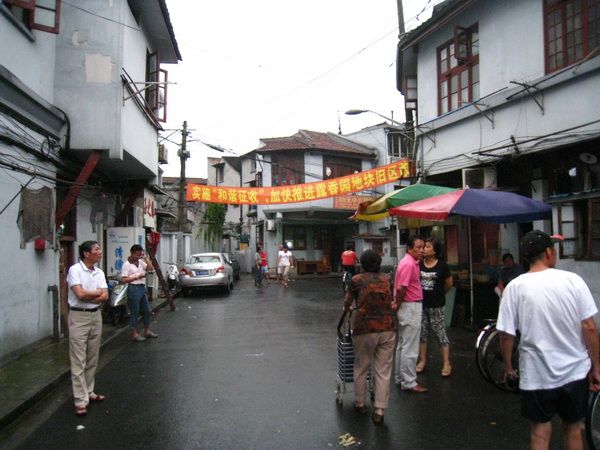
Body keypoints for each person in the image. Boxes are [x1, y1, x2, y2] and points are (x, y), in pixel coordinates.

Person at [497, 230, 600, 450]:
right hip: (574, 371)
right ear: (548, 252)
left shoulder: (515, 287)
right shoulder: (573, 280)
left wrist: (508, 367)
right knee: (573, 428)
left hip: (536, 374)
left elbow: (506, 334)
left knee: (540, 432)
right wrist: (596, 366)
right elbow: (589, 327)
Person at [344, 249, 396, 426]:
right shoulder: (388, 279)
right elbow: (393, 300)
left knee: (361, 366)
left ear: (362, 264)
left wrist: (350, 308)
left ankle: (360, 403)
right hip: (388, 327)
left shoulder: (357, 280)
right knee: (383, 370)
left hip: (364, 328)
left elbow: (347, 302)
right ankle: (380, 410)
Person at [67, 240, 109, 416]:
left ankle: (89, 391)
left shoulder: (99, 272)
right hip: (78, 316)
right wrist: (95, 294)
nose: (100, 252)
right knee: (78, 359)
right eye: (96, 249)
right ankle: (80, 400)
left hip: (95, 315)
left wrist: (91, 296)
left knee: (92, 357)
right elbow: (80, 294)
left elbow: (105, 296)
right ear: (86, 253)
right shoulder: (75, 270)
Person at [392, 235, 427, 393]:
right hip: (410, 306)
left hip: (407, 306)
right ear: (409, 249)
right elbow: (401, 288)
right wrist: (397, 304)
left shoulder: (408, 262)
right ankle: (409, 382)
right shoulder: (409, 264)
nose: (421, 250)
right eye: (418, 247)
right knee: (410, 347)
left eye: (423, 247)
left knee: (402, 345)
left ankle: (400, 378)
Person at [417, 237, 453, 377]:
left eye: (427, 247)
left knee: (440, 333)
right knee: (423, 334)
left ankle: (446, 363)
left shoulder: (442, 266)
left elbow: (449, 284)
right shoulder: (419, 264)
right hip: (422, 304)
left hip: (437, 305)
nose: (424, 249)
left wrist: (439, 293)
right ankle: (422, 361)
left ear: (435, 250)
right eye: (424, 246)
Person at [121, 244, 158, 342]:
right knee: (134, 311)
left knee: (147, 310)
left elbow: (151, 268)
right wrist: (137, 277)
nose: (138, 257)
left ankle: (147, 330)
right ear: (132, 253)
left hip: (142, 287)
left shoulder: (140, 262)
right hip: (133, 288)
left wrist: (145, 258)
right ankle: (134, 333)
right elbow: (124, 279)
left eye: (140, 254)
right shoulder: (126, 264)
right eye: (137, 255)